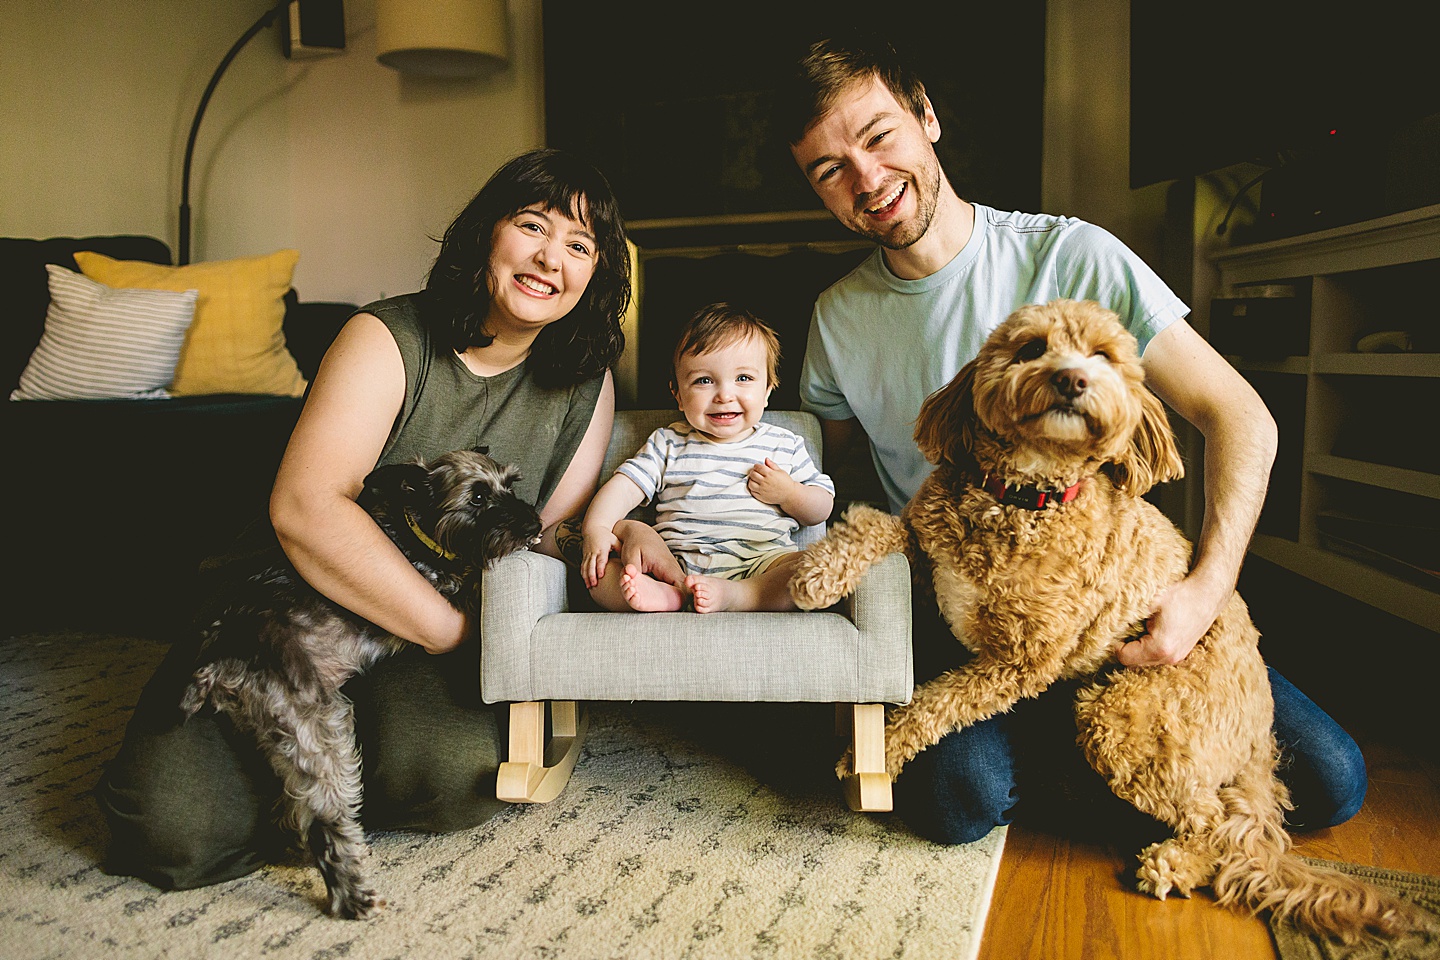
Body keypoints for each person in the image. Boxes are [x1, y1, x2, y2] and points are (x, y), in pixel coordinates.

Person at [778, 34, 1368, 844]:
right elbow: (835, 473)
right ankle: (1079, 745)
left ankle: (1089, 741)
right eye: (830, 169)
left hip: (1108, 603)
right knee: (953, 802)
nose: (867, 179)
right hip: (965, 605)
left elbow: (1242, 418)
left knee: (1334, 782)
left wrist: (1202, 596)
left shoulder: (1073, 253)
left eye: (879, 137)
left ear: (927, 119)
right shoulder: (836, 316)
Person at [96, 148, 631, 890]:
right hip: (288, 610)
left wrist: (624, 529)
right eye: (532, 225)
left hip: (413, 644)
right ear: (486, 233)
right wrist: (454, 632)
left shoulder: (584, 384)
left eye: (579, 245)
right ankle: (286, 767)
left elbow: (553, 535)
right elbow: (305, 509)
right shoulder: (385, 337)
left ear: (597, 273)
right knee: (168, 833)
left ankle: (316, 769)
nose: (550, 257)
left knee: (459, 779)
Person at [580, 303, 834, 614]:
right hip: (675, 565)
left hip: (764, 564)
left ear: (768, 389)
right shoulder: (668, 442)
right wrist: (596, 528)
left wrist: (791, 494)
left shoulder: (785, 444)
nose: (724, 394)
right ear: (678, 394)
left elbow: (821, 508)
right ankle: (670, 596)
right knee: (600, 576)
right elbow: (623, 488)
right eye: (704, 381)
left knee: (815, 567)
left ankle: (744, 595)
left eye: (743, 378)